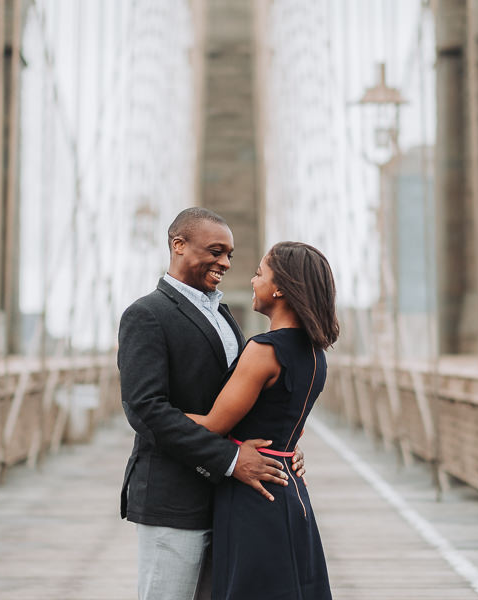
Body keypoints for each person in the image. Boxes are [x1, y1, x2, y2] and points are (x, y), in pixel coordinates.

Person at [118, 208, 306, 600]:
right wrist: (232, 460)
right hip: (173, 499)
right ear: (178, 245)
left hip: (228, 504)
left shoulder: (223, 315)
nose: (225, 262)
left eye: (230, 255)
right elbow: (146, 411)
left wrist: (283, 444)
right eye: (216, 250)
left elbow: (239, 403)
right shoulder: (145, 315)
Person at [186, 241, 339, 599]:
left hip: (253, 496)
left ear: (280, 287)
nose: (253, 281)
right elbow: (286, 422)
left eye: (258, 273)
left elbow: (213, 426)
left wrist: (154, 412)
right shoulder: (315, 353)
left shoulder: (264, 349)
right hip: (291, 491)